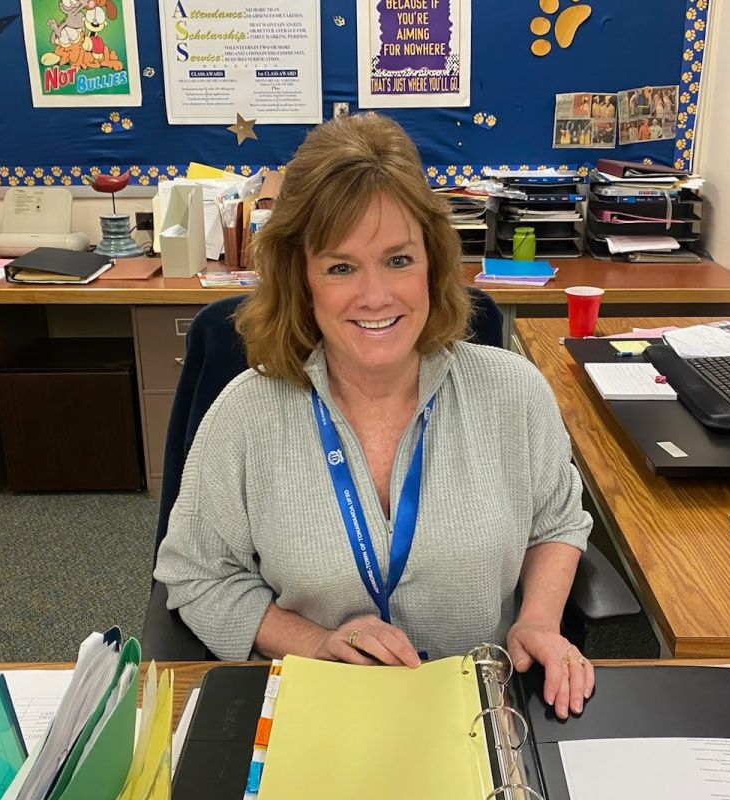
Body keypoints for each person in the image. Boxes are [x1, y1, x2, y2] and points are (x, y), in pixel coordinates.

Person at [155, 113, 595, 718]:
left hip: (479, 713)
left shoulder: (513, 392)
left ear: (432, 263)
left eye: (397, 260)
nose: (375, 296)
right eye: (340, 267)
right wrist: (314, 643)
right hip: (320, 708)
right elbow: (196, 575)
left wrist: (539, 620)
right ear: (301, 277)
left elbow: (556, 523)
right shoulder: (244, 417)